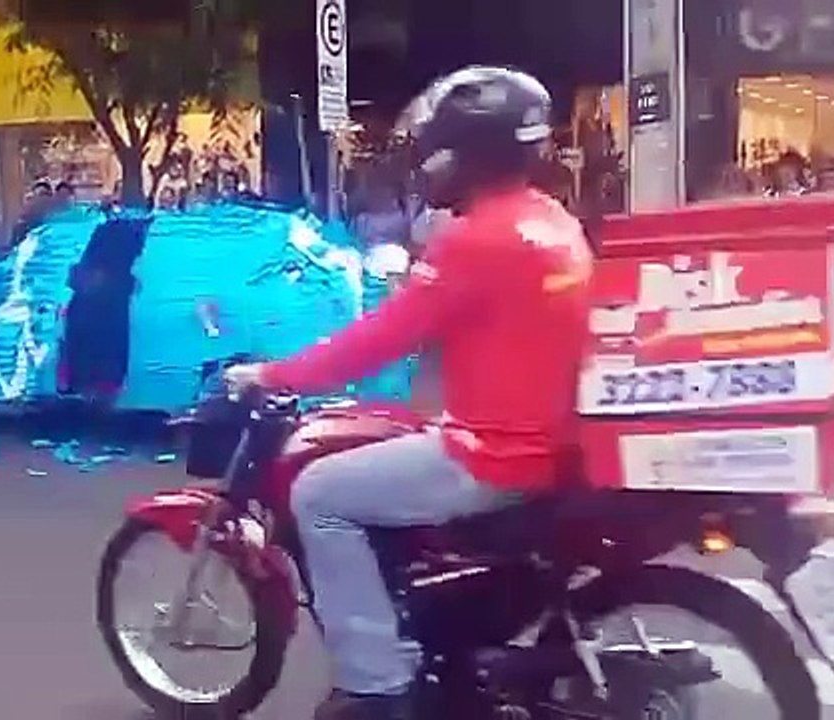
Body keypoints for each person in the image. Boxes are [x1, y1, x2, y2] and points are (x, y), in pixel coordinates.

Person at [222, 67, 593, 720]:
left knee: (318, 494)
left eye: (435, 146)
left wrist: (273, 375)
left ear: (464, 155)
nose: (425, 161)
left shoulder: (474, 240)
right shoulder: (553, 222)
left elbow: (378, 341)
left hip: (492, 454)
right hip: (550, 440)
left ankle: (377, 684)